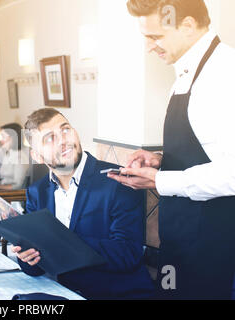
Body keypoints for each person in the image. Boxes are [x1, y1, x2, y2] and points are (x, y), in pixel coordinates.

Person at [108, 0, 235, 299]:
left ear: (188, 25)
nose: (149, 47)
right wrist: (162, 160)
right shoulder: (185, 73)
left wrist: (159, 180)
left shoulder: (225, 75)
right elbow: (208, 151)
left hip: (215, 248)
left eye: (155, 37)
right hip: (179, 241)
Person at [12, 108, 155, 299]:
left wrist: (60, 243)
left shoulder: (118, 181)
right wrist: (28, 258)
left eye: (65, 130)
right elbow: (35, 269)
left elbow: (127, 254)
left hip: (117, 294)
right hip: (62, 292)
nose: (64, 140)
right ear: (37, 156)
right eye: (50, 138)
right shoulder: (36, 192)